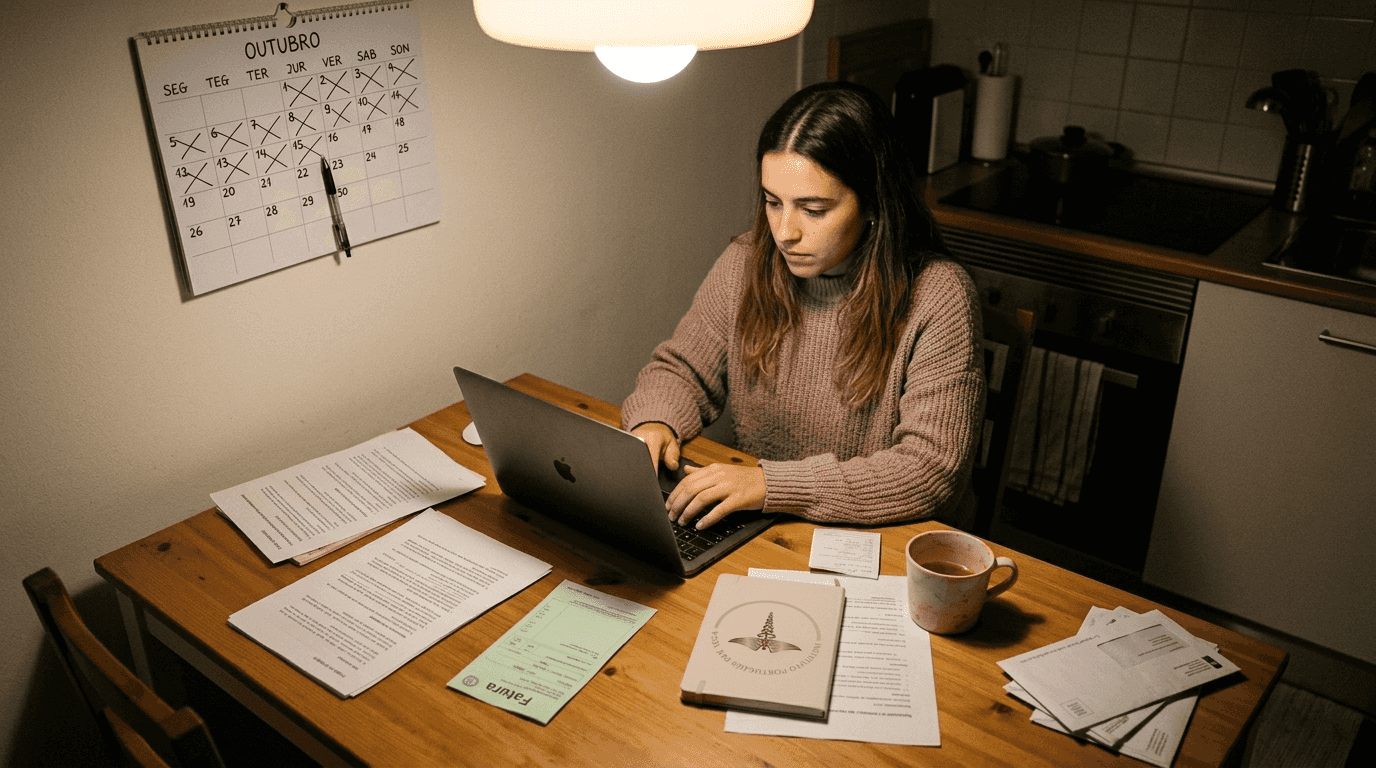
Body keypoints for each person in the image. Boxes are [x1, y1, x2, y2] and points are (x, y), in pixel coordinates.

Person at [621, 80, 985, 532]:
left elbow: (929, 471)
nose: (784, 232)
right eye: (773, 202)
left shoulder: (939, 295)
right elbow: (681, 370)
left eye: (813, 210)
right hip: (769, 526)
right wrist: (654, 423)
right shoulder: (747, 261)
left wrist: (771, 486)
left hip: (887, 543)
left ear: (873, 203)